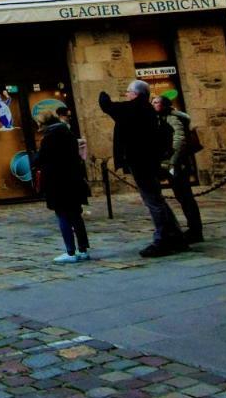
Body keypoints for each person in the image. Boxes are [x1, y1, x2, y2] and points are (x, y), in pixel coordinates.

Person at [99, 80, 186, 257]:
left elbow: (107, 106)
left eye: (128, 92)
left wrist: (102, 94)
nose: (126, 95)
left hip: (140, 161)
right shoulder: (147, 110)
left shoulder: (134, 108)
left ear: (136, 94)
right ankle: (175, 235)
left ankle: (163, 239)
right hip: (148, 160)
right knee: (157, 198)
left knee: (152, 200)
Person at [34, 110, 92, 263]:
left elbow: (41, 159)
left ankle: (70, 251)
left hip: (58, 183)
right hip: (73, 179)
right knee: (76, 216)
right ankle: (83, 249)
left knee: (63, 215)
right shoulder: (68, 134)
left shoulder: (49, 138)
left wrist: (35, 156)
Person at [153, 95, 204, 244]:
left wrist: (172, 163)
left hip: (178, 164)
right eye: (153, 102)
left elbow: (179, 142)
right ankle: (193, 228)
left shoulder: (172, 118)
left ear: (164, 105)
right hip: (173, 163)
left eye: (156, 102)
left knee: (185, 196)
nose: (154, 104)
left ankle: (195, 230)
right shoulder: (161, 118)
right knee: (182, 196)